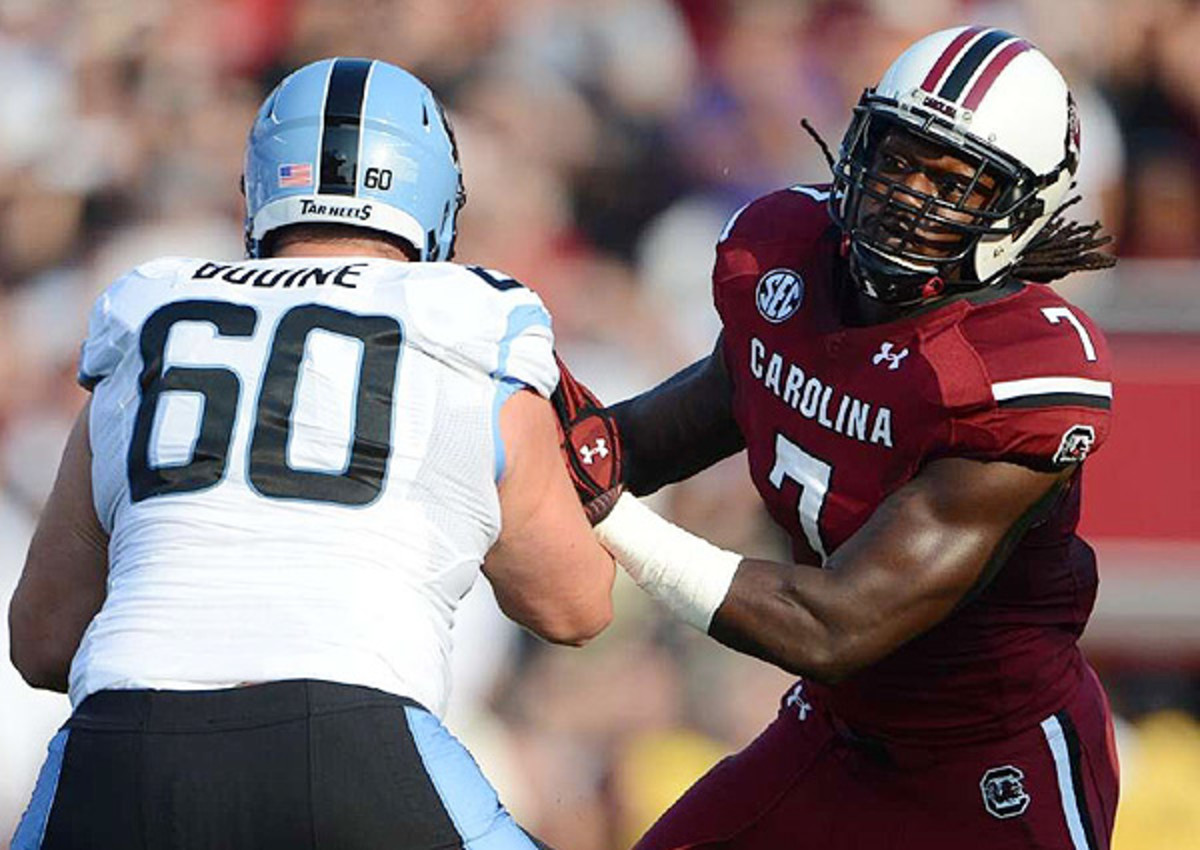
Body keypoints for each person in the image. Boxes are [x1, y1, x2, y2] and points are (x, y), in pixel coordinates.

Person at [8, 57, 615, 850]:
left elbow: (43, 637)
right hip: (349, 737)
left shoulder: (151, 319)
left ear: (260, 188)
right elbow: (574, 607)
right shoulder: (469, 323)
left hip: (121, 747)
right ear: (435, 196)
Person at [555, 26, 1120, 849]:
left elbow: (835, 627)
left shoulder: (1010, 373)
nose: (906, 195)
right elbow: (650, 438)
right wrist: (526, 424)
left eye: (950, 182)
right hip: (834, 732)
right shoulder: (793, 262)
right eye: (898, 158)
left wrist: (608, 516)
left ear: (1017, 212)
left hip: (990, 761)